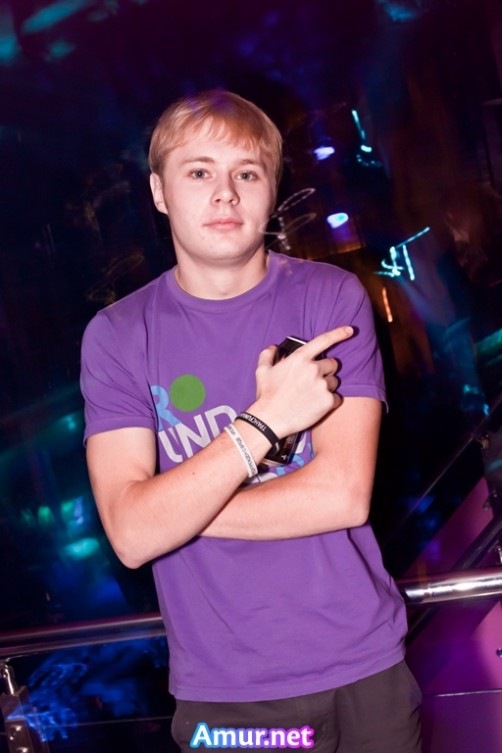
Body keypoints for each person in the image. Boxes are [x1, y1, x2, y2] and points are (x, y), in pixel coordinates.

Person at [80, 90, 422, 752]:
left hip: (365, 667)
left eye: (247, 172)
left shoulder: (329, 297)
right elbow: (129, 535)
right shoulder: (118, 334)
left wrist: (171, 506)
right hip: (226, 693)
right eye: (198, 171)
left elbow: (342, 496)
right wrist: (263, 424)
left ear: (272, 191)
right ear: (159, 192)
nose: (225, 193)